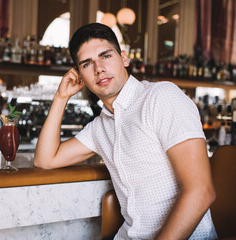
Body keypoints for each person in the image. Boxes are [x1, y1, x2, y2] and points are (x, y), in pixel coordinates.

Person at [34, 23, 217, 240]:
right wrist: (61, 97)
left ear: (124, 58)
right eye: (87, 64)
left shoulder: (161, 97)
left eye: (105, 56)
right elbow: (46, 159)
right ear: (80, 75)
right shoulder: (101, 126)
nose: (99, 68)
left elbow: (201, 192)